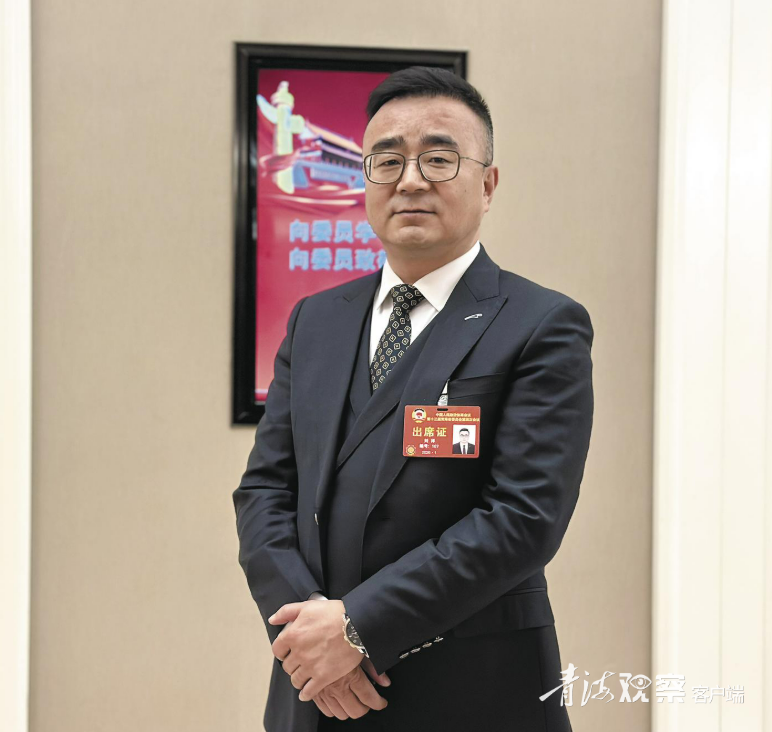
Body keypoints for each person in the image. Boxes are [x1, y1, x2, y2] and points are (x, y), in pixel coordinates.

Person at [233, 66, 594, 732]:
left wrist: (357, 628)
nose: (410, 180)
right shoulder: (315, 321)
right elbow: (265, 491)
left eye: (438, 158)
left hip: (474, 689)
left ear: (487, 184)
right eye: (387, 159)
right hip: (317, 692)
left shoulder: (540, 324)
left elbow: (523, 518)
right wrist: (308, 636)